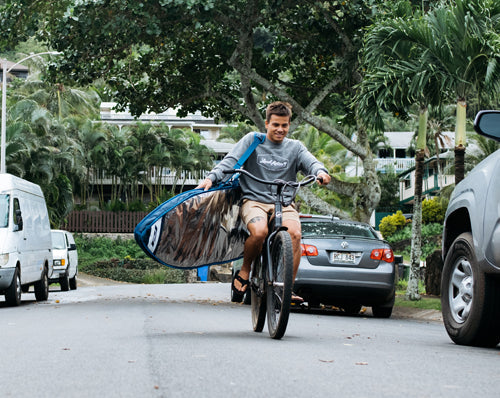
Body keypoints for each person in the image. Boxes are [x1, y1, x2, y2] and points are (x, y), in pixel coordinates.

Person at [196, 101, 331, 302]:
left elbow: (312, 163)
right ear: (266, 123)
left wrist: (320, 172)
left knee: (294, 234)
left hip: (284, 203)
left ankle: (287, 288)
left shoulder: (295, 147)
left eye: (284, 125)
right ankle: (245, 270)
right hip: (254, 201)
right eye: (275, 124)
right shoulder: (253, 141)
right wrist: (211, 178)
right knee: (259, 232)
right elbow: (230, 161)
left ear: (289, 125)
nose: (280, 129)